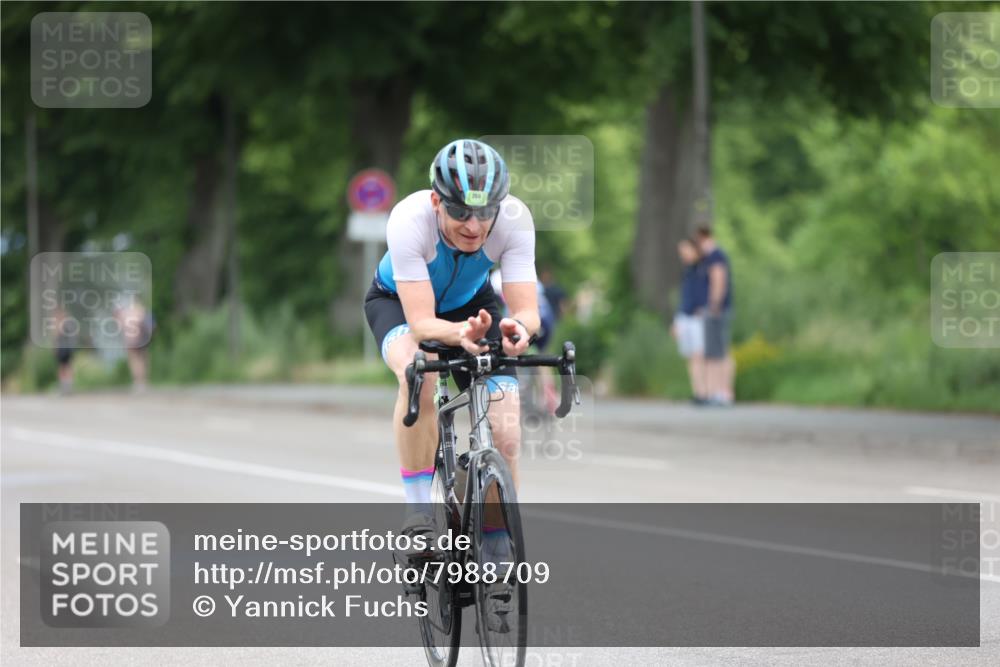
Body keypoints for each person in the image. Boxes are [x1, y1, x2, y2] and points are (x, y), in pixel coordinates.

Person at [363, 138, 539, 548]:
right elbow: (423, 325)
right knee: (418, 374)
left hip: (473, 307)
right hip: (399, 304)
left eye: (485, 212)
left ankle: (495, 541)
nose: (474, 226)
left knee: (507, 431)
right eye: (460, 211)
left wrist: (519, 330)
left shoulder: (515, 219)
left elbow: (526, 310)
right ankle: (419, 512)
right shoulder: (409, 219)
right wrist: (459, 335)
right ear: (436, 202)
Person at [694, 225, 735, 406]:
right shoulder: (712, 257)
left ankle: (723, 392)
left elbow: (718, 279)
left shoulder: (715, 256)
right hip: (713, 310)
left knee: (719, 352)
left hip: (716, 311)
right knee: (713, 352)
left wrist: (714, 305)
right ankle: (716, 392)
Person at [671, 239, 707, 404]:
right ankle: (698, 392)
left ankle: (706, 392)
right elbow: (684, 299)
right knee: (692, 357)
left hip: (698, 318)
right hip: (685, 317)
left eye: (686, 251)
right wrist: (677, 321)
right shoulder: (687, 271)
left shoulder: (704, 269)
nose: (683, 255)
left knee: (700, 355)